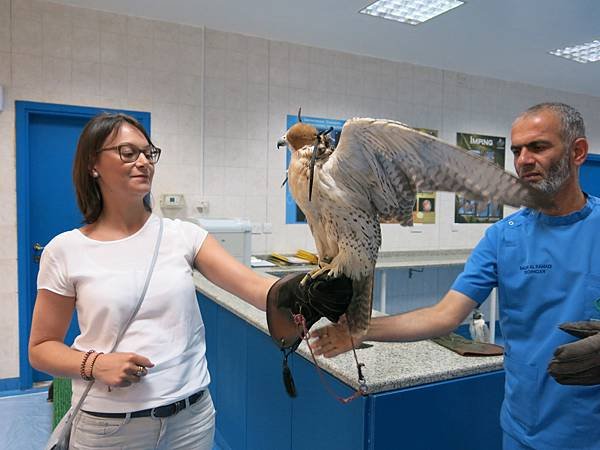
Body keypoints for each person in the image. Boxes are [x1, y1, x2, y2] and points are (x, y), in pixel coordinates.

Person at [310, 103, 600, 450]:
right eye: (516, 150)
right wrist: (356, 331)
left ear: (578, 152)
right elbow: (443, 316)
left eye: (538, 147)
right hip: (523, 429)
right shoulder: (502, 238)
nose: (523, 160)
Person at [28, 113, 303, 449]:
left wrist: (309, 290)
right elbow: (41, 349)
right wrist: (96, 364)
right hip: (109, 429)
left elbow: (258, 288)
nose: (143, 162)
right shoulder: (66, 249)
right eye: (128, 153)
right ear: (92, 165)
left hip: (191, 421)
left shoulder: (183, 236)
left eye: (148, 153)